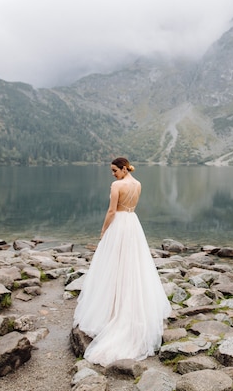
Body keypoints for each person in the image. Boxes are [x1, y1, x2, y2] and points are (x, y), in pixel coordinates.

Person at [73, 157, 172, 366]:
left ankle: (111, 311)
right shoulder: (138, 184)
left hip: (118, 224)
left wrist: (103, 230)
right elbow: (131, 206)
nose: (113, 173)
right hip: (133, 224)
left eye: (114, 170)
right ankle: (125, 307)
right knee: (132, 265)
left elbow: (111, 211)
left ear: (124, 168)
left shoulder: (117, 185)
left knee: (112, 265)